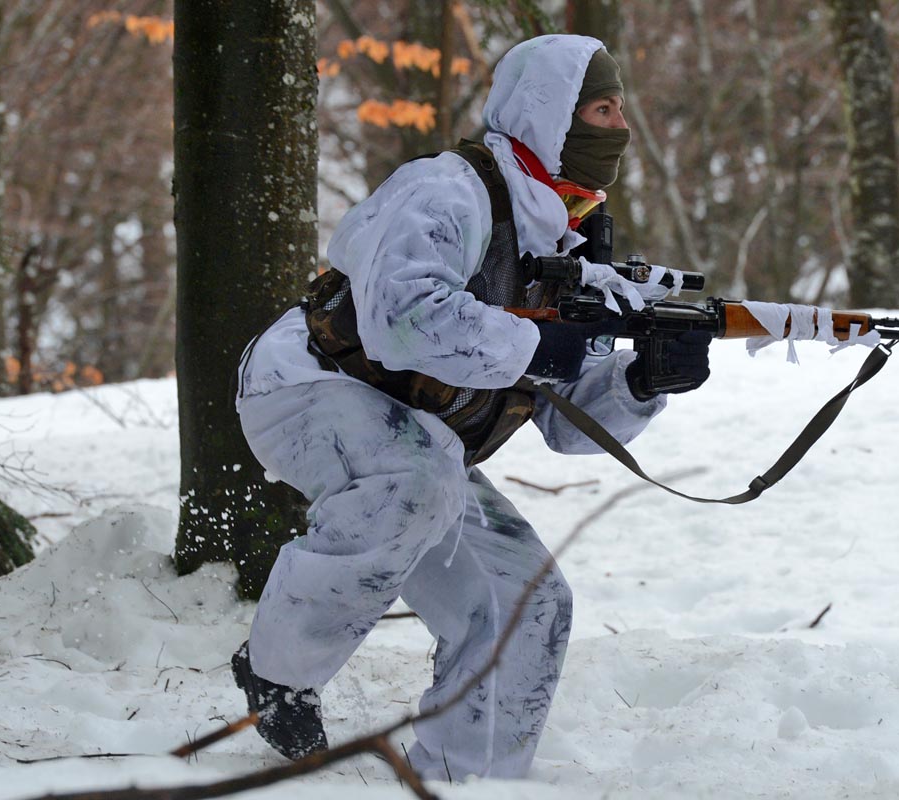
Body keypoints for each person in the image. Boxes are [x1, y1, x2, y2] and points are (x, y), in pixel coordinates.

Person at [230, 34, 712, 780]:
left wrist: (643, 381)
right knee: (417, 480)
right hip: (306, 387)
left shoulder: (573, 237)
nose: (620, 128)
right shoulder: (449, 190)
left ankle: (470, 780)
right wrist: (537, 345)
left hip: (420, 435)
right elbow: (400, 318)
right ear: (551, 115)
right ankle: (278, 673)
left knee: (527, 602)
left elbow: (565, 422)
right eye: (602, 109)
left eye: (622, 110)